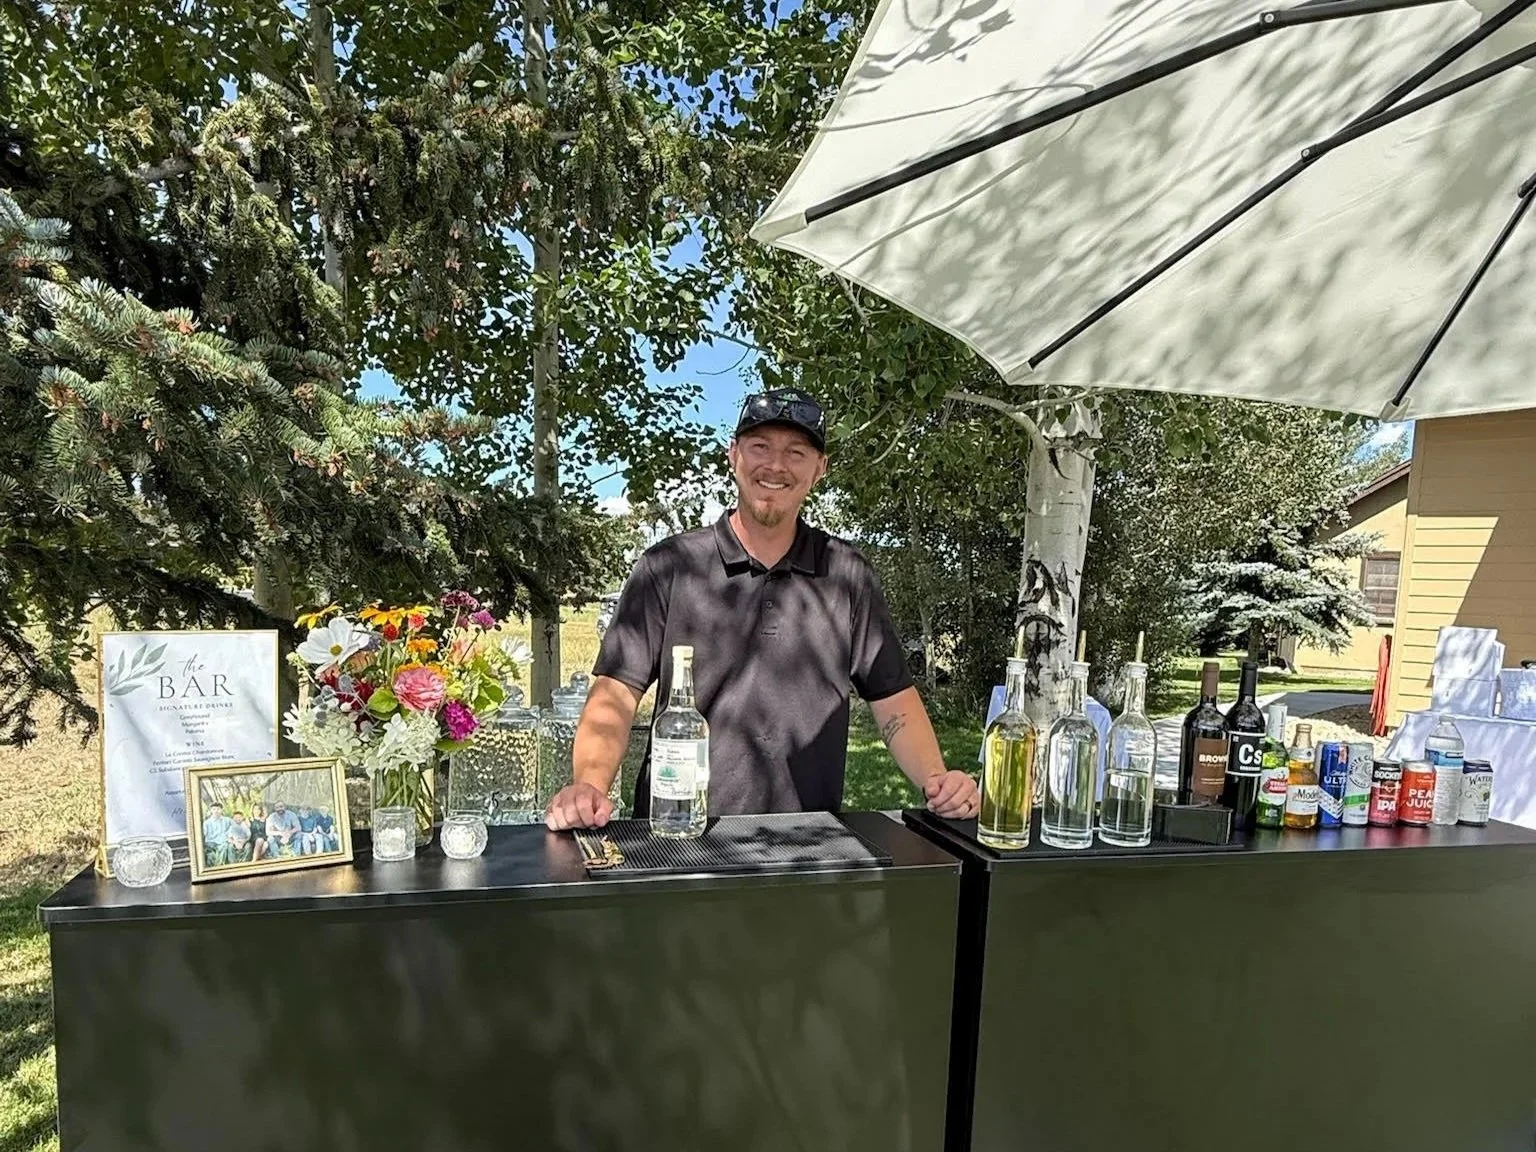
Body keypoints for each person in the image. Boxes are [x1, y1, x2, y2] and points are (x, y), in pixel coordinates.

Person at [546, 387, 980, 830]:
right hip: (677, 836)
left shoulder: (847, 574)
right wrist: (590, 785)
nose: (775, 465)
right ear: (733, 456)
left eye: (796, 452)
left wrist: (937, 780)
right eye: (760, 447)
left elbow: (893, 700)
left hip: (808, 845)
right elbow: (616, 693)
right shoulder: (669, 566)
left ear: (819, 470)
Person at [201, 802, 232, 867]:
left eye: (218, 809)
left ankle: (220, 867)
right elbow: (203, 834)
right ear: (211, 811)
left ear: (221, 810)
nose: (216, 811)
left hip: (223, 842)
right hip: (211, 843)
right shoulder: (206, 823)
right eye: (214, 809)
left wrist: (229, 835)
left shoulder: (227, 820)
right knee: (210, 855)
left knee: (224, 847)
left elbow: (233, 828)